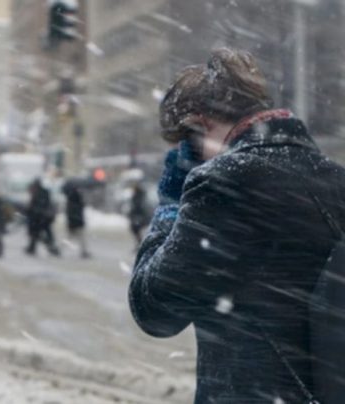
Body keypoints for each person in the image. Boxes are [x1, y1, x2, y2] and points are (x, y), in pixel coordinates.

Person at [129, 48, 345, 403]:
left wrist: (170, 205)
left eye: (186, 142)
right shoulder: (336, 179)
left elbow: (154, 309)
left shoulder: (226, 183)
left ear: (200, 126)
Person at [24, 179, 60, 256]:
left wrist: (30, 211)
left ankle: (36, 248)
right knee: (42, 234)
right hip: (44, 217)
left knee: (36, 234)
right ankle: (50, 247)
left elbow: (35, 206)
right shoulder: (44, 192)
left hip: (39, 218)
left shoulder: (38, 193)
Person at [64, 184, 90, 258]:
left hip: (74, 222)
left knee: (70, 237)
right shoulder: (77, 200)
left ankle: (60, 248)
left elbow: (69, 213)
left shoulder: (70, 201)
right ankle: (84, 251)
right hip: (77, 222)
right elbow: (78, 211)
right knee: (80, 238)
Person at [128, 183, 148, 248]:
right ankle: (139, 243)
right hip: (137, 216)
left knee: (136, 229)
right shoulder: (137, 197)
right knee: (136, 230)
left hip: (138, 216)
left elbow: (138, 207)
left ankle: (140, 244)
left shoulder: (138, 197)